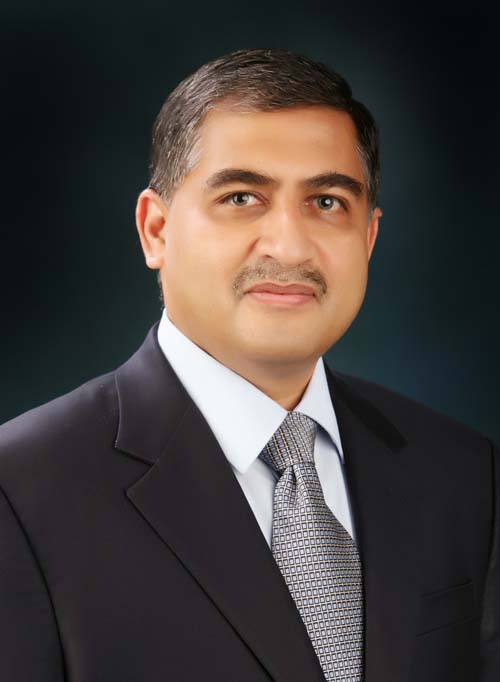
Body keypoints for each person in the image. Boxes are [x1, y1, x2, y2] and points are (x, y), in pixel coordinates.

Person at [0, 47, 497, 682]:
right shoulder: (21, 493)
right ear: (156, 230)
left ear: (369, 238)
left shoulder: (465, 474)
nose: (289, 246)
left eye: (326, 202)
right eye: (241, 197)